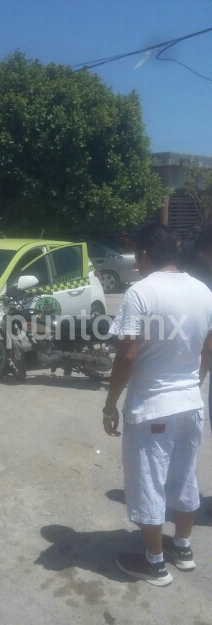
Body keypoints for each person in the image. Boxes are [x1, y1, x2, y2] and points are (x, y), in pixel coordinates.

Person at [102, 223, 212, 587]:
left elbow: (128, 355)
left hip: (152, 407)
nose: (136, 261)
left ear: (145, 254)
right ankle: (182, 549)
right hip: (189, 404)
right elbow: (208, 348)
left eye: (136, 254)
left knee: (148, 483)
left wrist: (110, 403)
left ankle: (154, 563)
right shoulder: (203, 291)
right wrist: (194, 384)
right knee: (183, 477)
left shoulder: (141, 292)